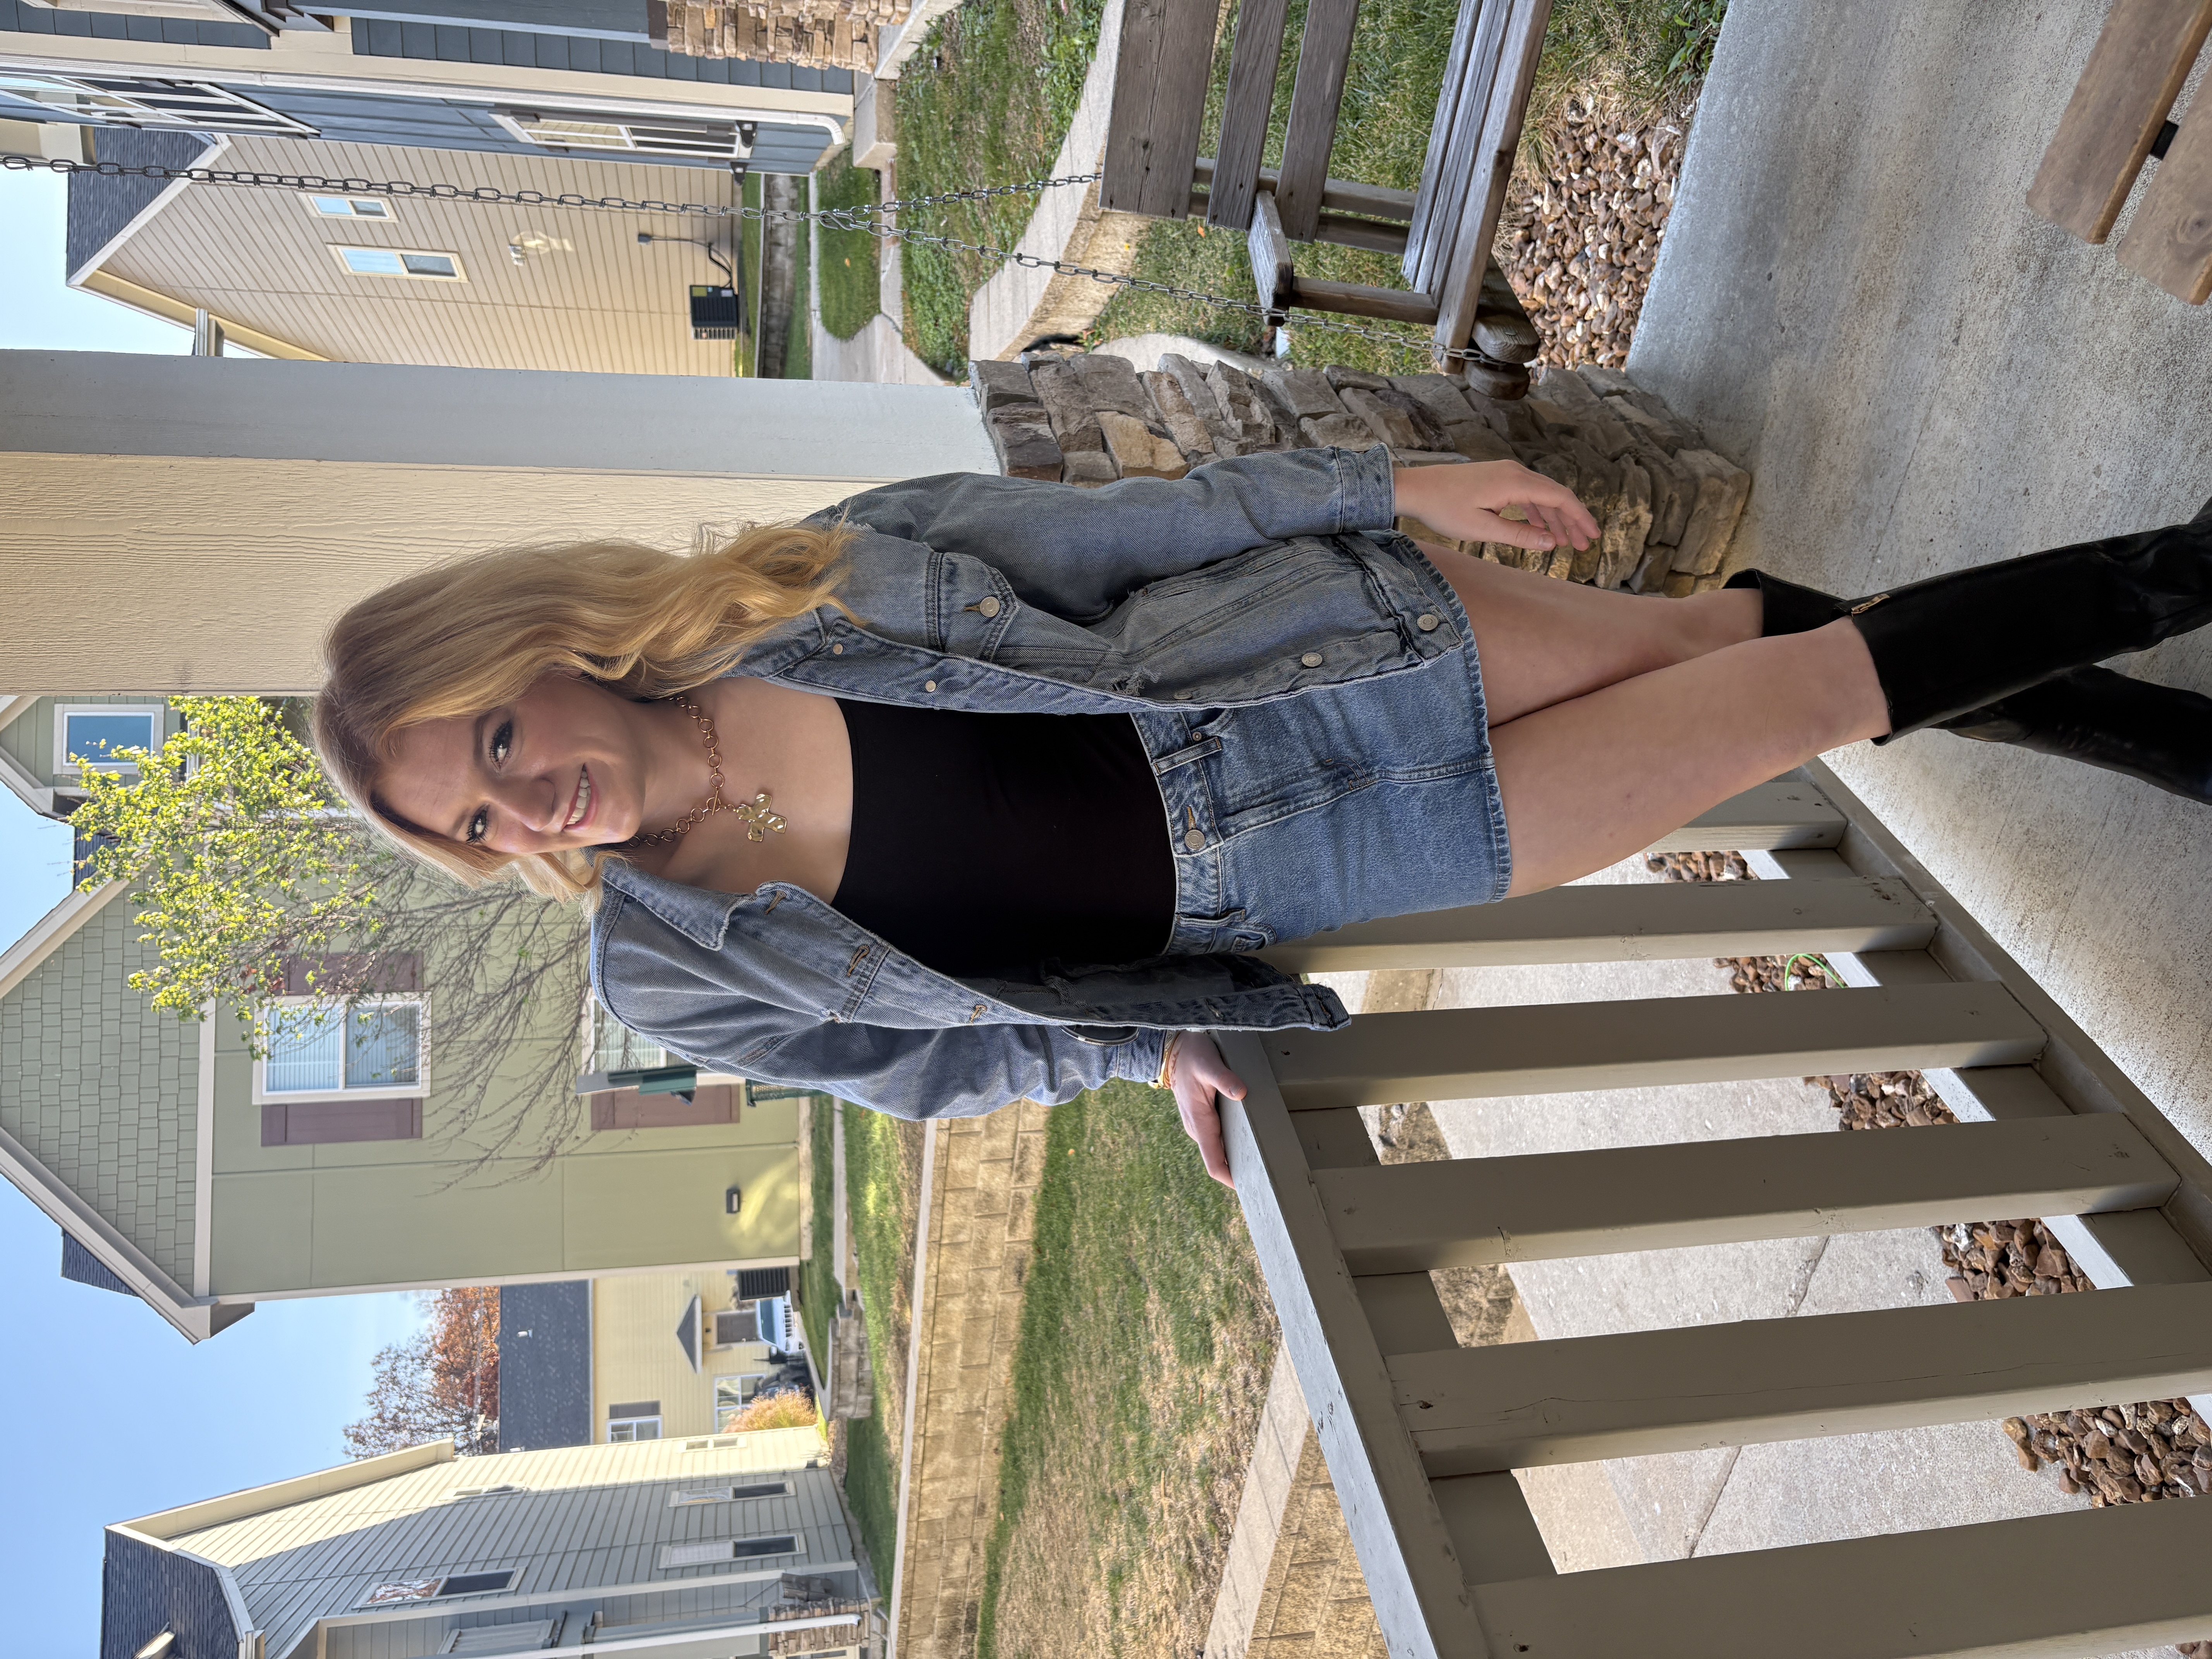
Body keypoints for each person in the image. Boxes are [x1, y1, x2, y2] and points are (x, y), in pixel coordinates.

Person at [313, 445, 2212, 1186]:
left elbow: (1121, 535)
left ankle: (2176, 621)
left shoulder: (810, 576)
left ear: (535, 647)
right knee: (1781, 676)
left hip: (1311, 657)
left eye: (497, 740)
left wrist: (1389, 481)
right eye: (475, 827)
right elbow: (935, 1070)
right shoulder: (672, 977)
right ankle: (2156, 688)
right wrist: (1140, 1052)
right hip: (1334, 855)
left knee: (1743, 650)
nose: (525, 806)